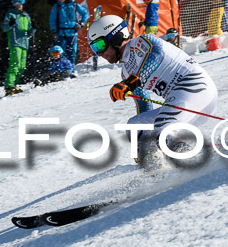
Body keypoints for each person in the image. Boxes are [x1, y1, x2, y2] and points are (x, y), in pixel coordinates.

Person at [87, 15, 218, 170]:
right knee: (135, 125)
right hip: (180, 102)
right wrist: (142, 148)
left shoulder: (143, 41)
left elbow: (156, 55)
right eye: (94, 49)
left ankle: (199, 162)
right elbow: (144, 104)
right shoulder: (126, 71)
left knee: (162, 131)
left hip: (196, 88)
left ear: (115, 36)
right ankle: (154, 168)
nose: (99, 53)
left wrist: (130, 82)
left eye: (100, 45)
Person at [3, 0, 36, 96]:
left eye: (19, 3)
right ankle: (9, 85)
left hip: (24, 43)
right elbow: (4, 28)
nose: (17, 5)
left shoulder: (26, 16)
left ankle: (15, 84)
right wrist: (10, 24)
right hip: (15, 42)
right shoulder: (10, 14)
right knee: (15, 63)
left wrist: (33, 28)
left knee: (22, 66)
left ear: (23, 3)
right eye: (15, 3)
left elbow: (30, 32)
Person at [49, 0, 88, 67]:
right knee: (61, 51)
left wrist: (82, 23)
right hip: (61, 32)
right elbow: (52, 19)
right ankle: (61, 69)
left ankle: (71, 69)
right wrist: (54, 31)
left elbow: (84, 13)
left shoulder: (74, 4)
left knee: (72, 51)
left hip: (72, 31)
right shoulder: (57, 6)